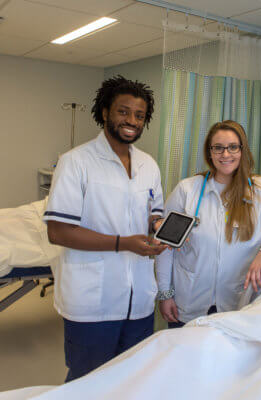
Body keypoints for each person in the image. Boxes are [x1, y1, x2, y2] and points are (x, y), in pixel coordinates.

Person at [44, 75, 167, 381]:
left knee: (131, 378)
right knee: (88, 382)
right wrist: (123, 243)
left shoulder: (148, 165)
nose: (132, 121)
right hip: (92, 302)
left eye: (139, 115)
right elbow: (58, 231)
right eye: (123, 111)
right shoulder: (75, 162)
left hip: (138, 301)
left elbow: (155, 213)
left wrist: (159, 227)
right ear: (104, 113)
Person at [156, 120, 261, 327]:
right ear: (209, 152)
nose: (225, 154)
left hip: (237, 303)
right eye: (218, 148)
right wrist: (165, 293)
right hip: (189, 300)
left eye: (232, 147)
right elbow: (166, 247)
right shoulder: (187, 190)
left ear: (242, 150)